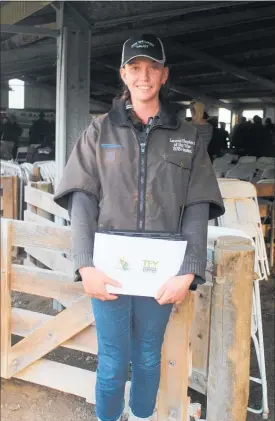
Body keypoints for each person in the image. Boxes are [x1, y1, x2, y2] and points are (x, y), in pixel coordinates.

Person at [54, 34, 225, 421]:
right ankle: (108, 417)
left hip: (161, 273)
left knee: (149, 356)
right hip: (108, 270)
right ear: (123, 74)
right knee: (113, 360)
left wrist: (189, 270)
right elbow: (82, 200)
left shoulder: (188, 137)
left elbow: (197, 206)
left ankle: (144, 416)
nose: (143, 76)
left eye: (152, 68)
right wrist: (85, 266)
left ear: (164, 75)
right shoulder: (98, 132)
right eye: (135, 67)